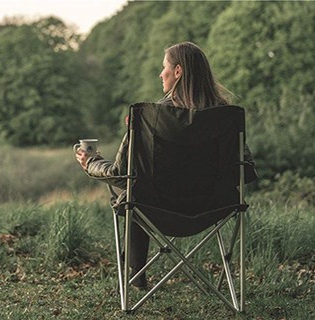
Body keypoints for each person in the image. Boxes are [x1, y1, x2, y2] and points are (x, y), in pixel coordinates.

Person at [75, 41, 257, 289]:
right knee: (137, 190)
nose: (161, 74)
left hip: (154, 208)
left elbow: (120, 173)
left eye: (165, 67)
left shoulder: (150, 120)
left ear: (178, 71)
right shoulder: (227, 117)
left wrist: (91, 162)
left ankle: (136, 272)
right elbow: (245, 170)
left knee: (133, 192)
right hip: (214, 207)